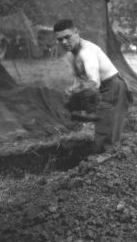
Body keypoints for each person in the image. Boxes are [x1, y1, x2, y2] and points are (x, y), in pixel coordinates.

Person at [53, 19, 132, 152]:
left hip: (112, 87)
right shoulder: (70, 54)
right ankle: (105, 156)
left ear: (76, 33)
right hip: (102, 88)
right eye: (60, 39)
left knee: (106, 129)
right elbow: (78, 78)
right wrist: (72, 90)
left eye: (67, 37)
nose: (64, 42)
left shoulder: (87, 52)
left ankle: (107, 161)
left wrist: (77, 99)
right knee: (103, 125)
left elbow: (93, 83)